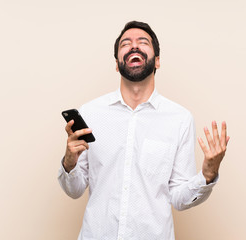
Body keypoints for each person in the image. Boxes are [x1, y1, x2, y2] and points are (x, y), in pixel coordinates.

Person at [58, 21, 230, 240]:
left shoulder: (179, 119)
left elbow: (179, 198)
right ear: (117, 64)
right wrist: (69, 163)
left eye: (143, 42)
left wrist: (207, 175)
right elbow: (75, 190)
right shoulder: (90, 112)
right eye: (125, 44)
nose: (134, 47)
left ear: (157, 61)